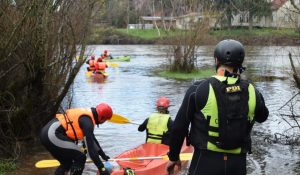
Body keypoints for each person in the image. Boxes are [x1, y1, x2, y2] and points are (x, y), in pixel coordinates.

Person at [166, 39, 269, 175]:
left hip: (204, 162)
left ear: (216, 60)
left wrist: (173, 157)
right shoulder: (252, 91)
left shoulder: (198, 89)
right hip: (237, 165)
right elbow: (263, 117)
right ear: (240, 63)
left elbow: (179, 127)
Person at [40, 103, 113, 175]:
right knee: (80, 157)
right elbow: (91, 152)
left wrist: (103, 155)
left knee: (67, 162)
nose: (104, 122)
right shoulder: (88, 123)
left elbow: (92, 140)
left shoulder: (87, 117)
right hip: (52, 134)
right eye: (105, 120)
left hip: (46, 133)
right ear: (102, 118)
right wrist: (102, 168)